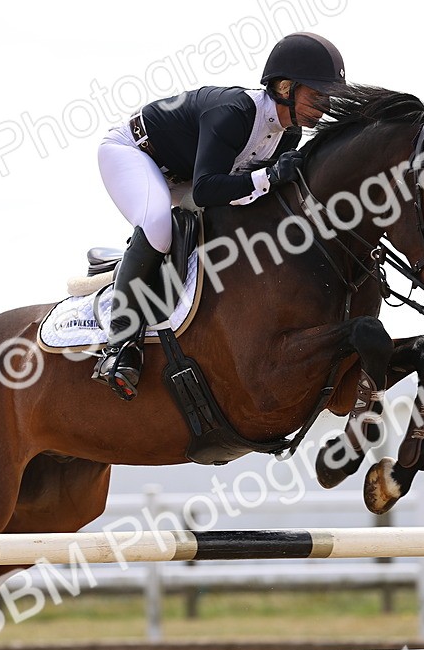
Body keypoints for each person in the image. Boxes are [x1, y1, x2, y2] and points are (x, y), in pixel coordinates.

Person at [91, 32, 347, 401]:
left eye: (328, 98)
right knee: (159, 226)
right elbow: (207, 190)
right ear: (285, 87)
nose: (323, 107)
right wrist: (269, 176)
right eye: (317, 96)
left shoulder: (288, 134)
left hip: (185, 174)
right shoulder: (235, 112)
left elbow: (244, 194)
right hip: (135, 153)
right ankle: (119, 345)